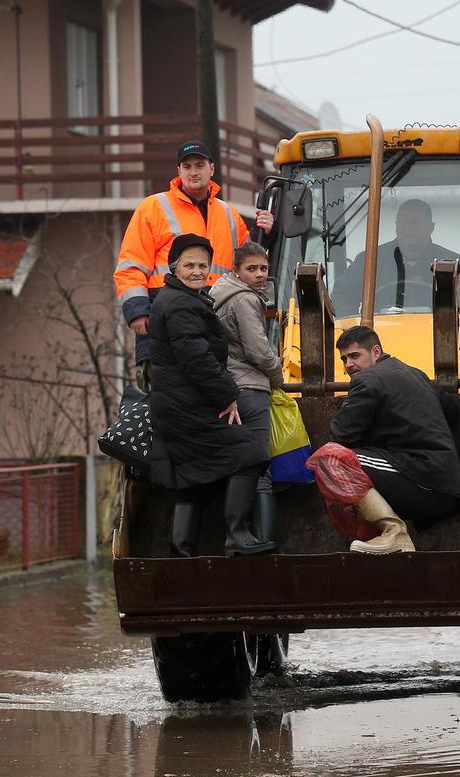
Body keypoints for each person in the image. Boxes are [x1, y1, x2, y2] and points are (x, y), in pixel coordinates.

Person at [147, 233, 274, 558]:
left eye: (203, 264)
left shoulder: (181, 299)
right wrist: (227, 396)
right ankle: (236, 534)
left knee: (192, 474)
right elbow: (197, 359)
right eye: (189, 265)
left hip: (177, 404)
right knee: (249, 452)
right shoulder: (180, 305)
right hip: (185, 405)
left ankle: (182, 550)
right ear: (175, 268)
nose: (197, 271)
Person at [114, 140, 274, 387]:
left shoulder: (229, 214)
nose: (193, 171)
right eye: (187, 166)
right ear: (179, 171)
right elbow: (130, 266)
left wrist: (266, 232)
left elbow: (249, 263)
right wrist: (138, 311)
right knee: (168, 392)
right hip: (166, 313)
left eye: (199, 165)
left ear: (212, 168)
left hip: (217, 315)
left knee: (213, 391)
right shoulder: (153, 207)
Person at [327, 325, 460, 554]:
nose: (348, 365)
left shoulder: (367, 381)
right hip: (447, 483)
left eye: (355, 356)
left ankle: (394, 534)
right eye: (344, 359)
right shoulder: (415, 373)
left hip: (422, 477)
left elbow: (341, 436)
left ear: (376, 352)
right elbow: (452, 412)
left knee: (333, 459)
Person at [209, 241, 284, 545]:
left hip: (229, 387)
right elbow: (259, 351)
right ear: (236, 271)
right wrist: (277, 376)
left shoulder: (219, 295)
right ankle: (250, 537)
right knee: (257, 464)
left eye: (264, 268)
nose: (259, 274)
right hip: (249, 388)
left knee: (241, 462)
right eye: (251, 269)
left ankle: (243, 536)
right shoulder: (245, 301)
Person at [341, 199, 460, 315]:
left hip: (437, 335)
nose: (409, 227)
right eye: (404, 221)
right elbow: (342, 294)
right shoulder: (369, 261)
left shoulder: (452, 264)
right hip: (380, 335)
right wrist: (356, 333)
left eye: (416, 222)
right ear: (396, 225)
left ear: (431, 227)